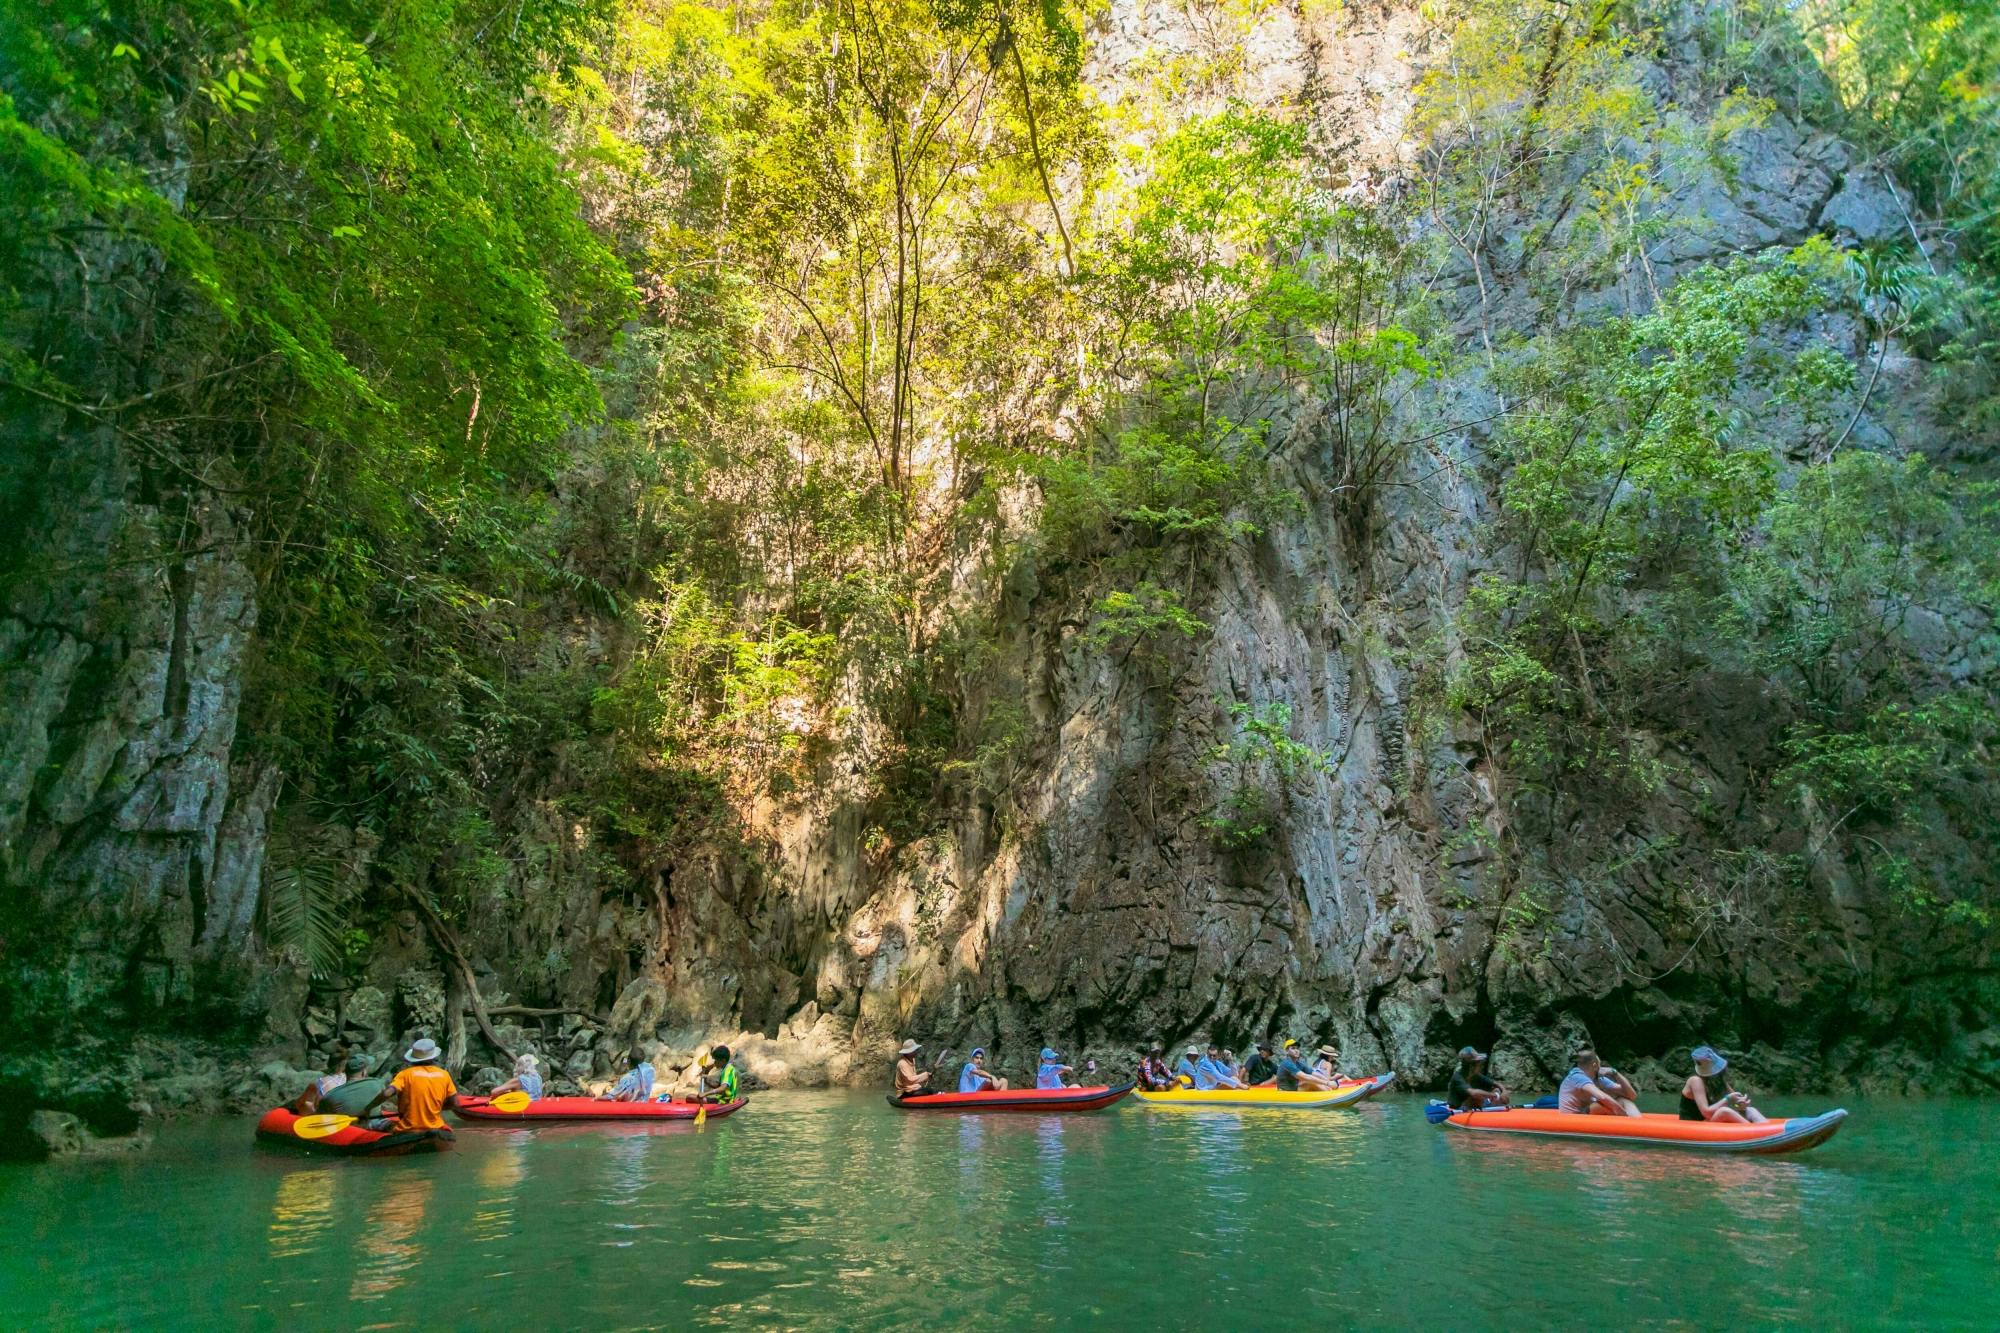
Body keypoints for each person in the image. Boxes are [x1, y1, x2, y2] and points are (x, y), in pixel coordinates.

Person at [365, 1038, 457, 1132]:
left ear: (413, 1059)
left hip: (406, 1128)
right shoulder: (444, 1075)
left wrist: (368, 1108)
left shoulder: (404, 1074)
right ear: (433, 1057)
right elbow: (453, 1103)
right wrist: (433, 1108)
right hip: (435, 1126)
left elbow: (386, 1094)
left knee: (374, 1123)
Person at [1681, 1046, 1766, 1123]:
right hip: (1696, 1125)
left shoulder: (1719, 1082)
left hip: (1709, 1121)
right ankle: (1752, 1131)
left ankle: (1766, 1130)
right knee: (1724, 1111)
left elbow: (1735, 1105)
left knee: (1751, 1110)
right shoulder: (1695, 1081)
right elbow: (1707, 1113)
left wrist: (1741, 1105)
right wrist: (1727, 1099)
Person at [1558, 1049, 1640, 1116]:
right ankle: (1632, 1125)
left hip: (1586, 1113)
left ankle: (1636, 1123)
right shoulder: (1577, 1076)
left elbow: (1631, 1095)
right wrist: (1623, 1114)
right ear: (1594, 1065)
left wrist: (1615, 1073)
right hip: (1574, 1117)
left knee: (1623, 1099)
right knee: (1603, 1103)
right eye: (1599, 1063)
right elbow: (1602, 1097)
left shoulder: (1598, 1078)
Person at [320, 1055, 391, 1126]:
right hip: (373, 1130)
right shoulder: (378, 1084)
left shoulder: (330, 1096)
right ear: (363, 1072)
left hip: (346, 1132)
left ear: (345, 1072)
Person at [1448, 1046, 1508, 1110]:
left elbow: (1496, 1083)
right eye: (1479, 1064)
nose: (1481, 1066)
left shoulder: (1476, 1075)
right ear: (1472, 1066)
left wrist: (1504, 1092)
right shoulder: (1458, 1077)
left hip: (1474, 1106)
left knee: (1497, 1090)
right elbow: (1473, 1093)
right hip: (1458, 1108)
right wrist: (1494, 1095)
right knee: (1474, 1097)